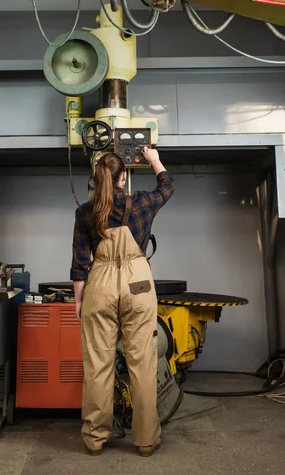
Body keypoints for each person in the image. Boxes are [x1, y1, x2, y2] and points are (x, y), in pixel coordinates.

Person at [70, 147, 175, 457]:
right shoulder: (142, 202)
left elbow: (79, 263)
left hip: (99, 286)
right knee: (142, 364)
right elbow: (168, 186)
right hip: (138, 285)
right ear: (123, 177)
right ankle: (145, 440)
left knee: (98, 366)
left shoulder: (85, 212)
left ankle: (94, 439)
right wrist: (153, 158)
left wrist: (79, 301)